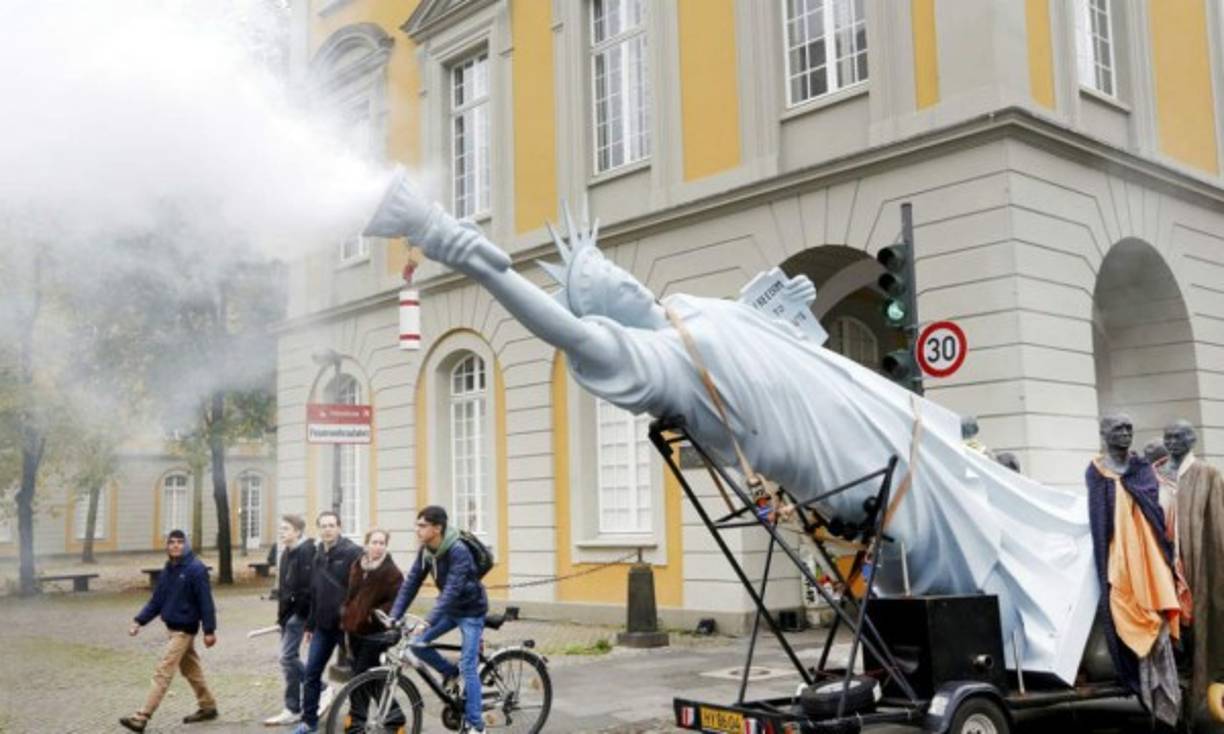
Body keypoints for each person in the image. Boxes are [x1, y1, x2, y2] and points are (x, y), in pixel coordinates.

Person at [363, 172, 1103, 684]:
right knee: (944, 526)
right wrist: (448, 237)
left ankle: (1055, 567)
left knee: (967, 478)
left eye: (609, 268)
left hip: (867, 409)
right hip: (843, 457)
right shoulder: (648, 360)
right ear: (599, 317)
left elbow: (784, 331)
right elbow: (549, 319)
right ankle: (1028, 625)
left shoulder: (686, 309)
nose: (619, 279)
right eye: (598, 288)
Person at [1084, 414, 1181, 727]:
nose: (1125, 433)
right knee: (1125, 614)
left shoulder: (1141, 470)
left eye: (1129, 428)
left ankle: (1167, 704)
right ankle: (1146, 695)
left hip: (1150, 560)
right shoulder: (1097, 472)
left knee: (1159, 622)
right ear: (1103, 433)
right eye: (1118, 429)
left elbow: (1153, 510)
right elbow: (1099, 520)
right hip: (1118, 562)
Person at [390, 506, 489, 734]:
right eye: (417, 525)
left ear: (437, 528)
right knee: (417, 644)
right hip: (450, 609)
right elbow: (411, 583)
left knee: (468, 667)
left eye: (422, 526)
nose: (417, 530)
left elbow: (452, 589)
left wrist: (429, 620)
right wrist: (394, 615)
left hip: (471, 611)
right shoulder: (426, 551)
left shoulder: (458, 550)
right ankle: (450, 673)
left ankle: (477, 726)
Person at [120, 530, 218, 732]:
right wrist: (139, 621)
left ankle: (142, 716)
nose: (175, 545)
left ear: (187, 545)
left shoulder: (196, 569)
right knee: (191, 670)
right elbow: (157, 600)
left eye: (180, 542)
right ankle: (208, 706)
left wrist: (209, 630)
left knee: (163, 671)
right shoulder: (168, 568)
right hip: (172, 628)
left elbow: (206, 602)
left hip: (184, 630)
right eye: (171, 542)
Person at [1163, 420, 1224, 727]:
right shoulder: (1158, 475)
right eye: (1168, 436)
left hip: (1194, 569)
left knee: (1196, 633)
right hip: (1164, 570)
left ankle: (1194, 706)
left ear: (1192, 440)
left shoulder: (1208, 475)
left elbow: (1218, 531)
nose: (1172, 441)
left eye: (1179, 436)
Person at [292, 511, 363, 734]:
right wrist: (310, 626)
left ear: (339, 527)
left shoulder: (353, 552)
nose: (327, 530)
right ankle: (308, 722)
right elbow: (315, 593)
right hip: (323, 627)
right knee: (311, 673)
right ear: (318, 529)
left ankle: (357, 719)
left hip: (346, 628)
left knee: (357, 675)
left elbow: (361, 590)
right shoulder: (317, 556)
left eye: (331, 525)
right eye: (323, 526)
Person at [339, 528, 404, 728]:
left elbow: (396, 602)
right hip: (354, 630)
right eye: (374, 542)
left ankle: (355, 721)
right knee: (371, 680)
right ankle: (396, 720)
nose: (377, 546)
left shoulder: (392, 572)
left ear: (386, 546)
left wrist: (373, 614)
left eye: (381, 543)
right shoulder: (357, 565)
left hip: (375, 634)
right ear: (366, 544)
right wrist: (346, 613)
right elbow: (351, 595)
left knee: (359, 678)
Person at [264, 514, 315, 727]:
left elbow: (307, 589)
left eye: (286, 528)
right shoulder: (285, 553)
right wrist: (281, 619)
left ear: (297, 532)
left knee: (286, 658)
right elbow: (284, 589)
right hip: (287, 616)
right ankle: (293, 708)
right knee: (289, 662)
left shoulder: (305, 552)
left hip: (298, 616)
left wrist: (299, 616)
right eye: (281, 528)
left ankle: (319, 687)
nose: (282, 532)